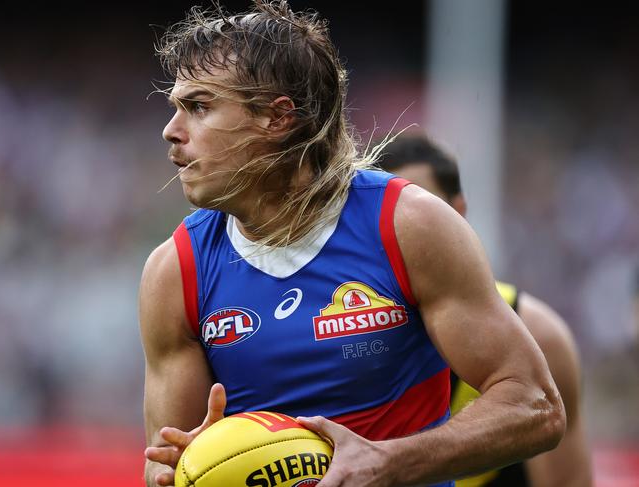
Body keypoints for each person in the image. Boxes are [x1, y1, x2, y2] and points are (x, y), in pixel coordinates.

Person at [139, 2, 565, 486]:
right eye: (176, 108)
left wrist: (389, 462)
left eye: (198, 107)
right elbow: (167, 462)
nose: (171, 132)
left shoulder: (408, 226)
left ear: (278, 118)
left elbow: (536, 406)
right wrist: (180, 470)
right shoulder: (175, 272)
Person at [379, 133, 592, 487]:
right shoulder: (331, 338)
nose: (403, 228)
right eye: (383, 217)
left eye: (421, 207)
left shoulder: (540, 338)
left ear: (458, 212)